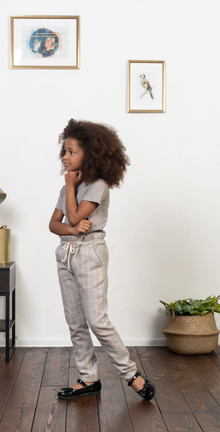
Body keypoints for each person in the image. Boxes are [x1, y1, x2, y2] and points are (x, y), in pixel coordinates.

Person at [49, 119, 155, 401]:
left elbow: (72, 215)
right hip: (66, 254)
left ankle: (131, 374)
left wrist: (70, 190)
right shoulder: (67, 189)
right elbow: (54, 225)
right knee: (75, 321)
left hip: (89, 253)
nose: (65, 157)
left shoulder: (97, 186)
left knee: (97, 320)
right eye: (65, 151)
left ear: (90, 155)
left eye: (72, 152)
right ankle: (88, 378)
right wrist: (72, 228)